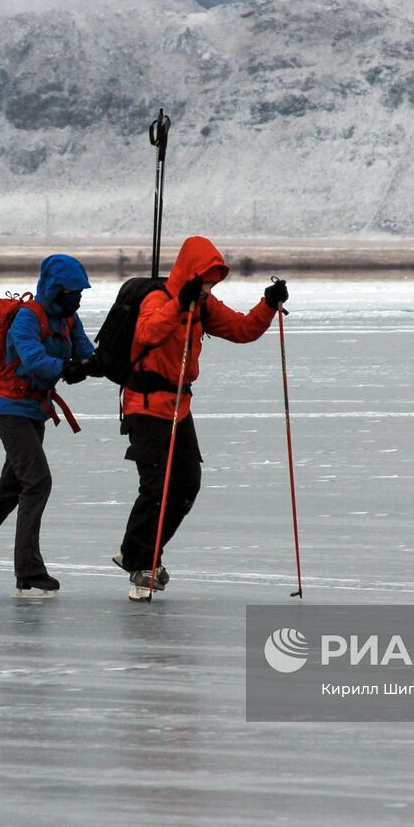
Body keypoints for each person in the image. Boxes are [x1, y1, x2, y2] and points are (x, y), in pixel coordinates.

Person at [113, 236, 288, 600]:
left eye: (213, 282)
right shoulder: (158, 300)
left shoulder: (204, 305)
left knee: (186, 485)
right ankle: (141, 562)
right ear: (191, 274)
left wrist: (268, 305)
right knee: (156, 488)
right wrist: (180, 302)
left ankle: (139, 553)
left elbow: (242, 330)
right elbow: (147, 334)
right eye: (206, 281)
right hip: (144, 406)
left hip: (179, 408)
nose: (210, 288)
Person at [0, 254, 100, 597]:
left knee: (12, 485)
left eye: (80, 292)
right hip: (10, 409)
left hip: (34, 411)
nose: (78, 298)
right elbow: (33, 359)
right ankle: (28, 570)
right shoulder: (28, 319)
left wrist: (103, 364)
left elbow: (86, 353)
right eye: (72, 292)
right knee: (37, 481)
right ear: (56, 290)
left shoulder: (70, 320)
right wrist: (65, 368)